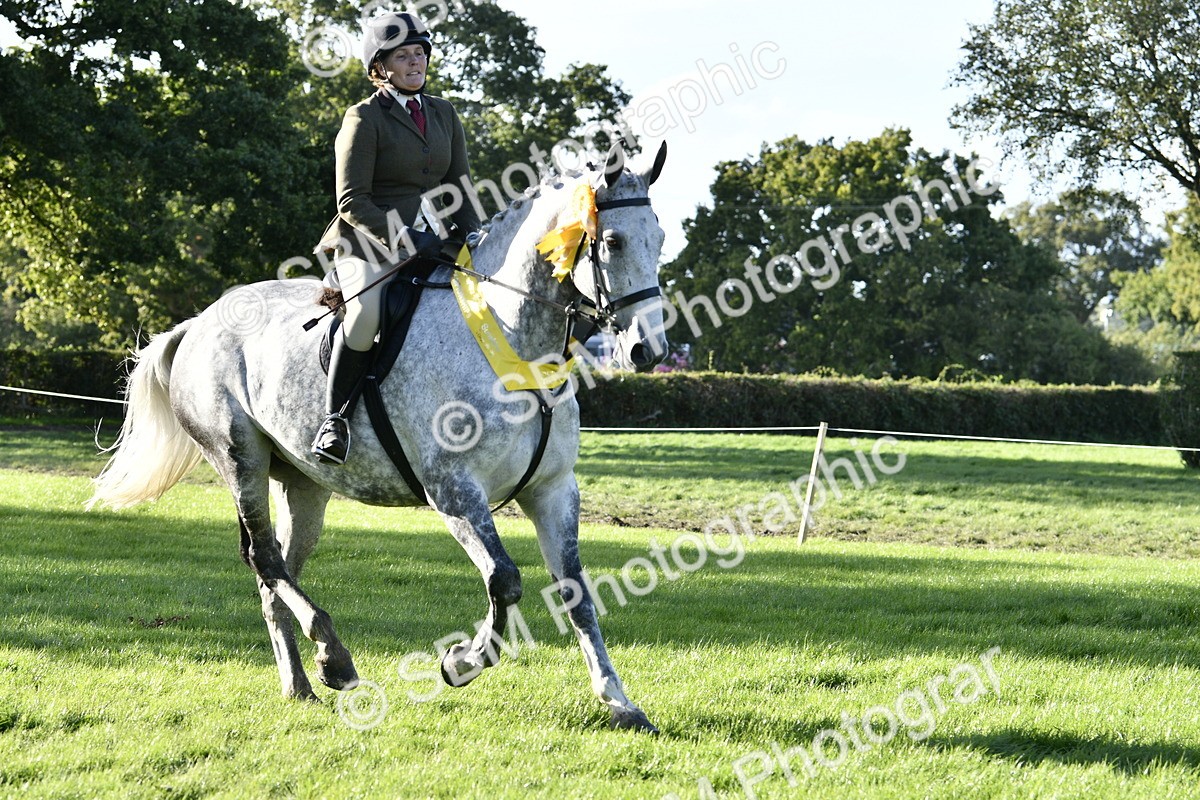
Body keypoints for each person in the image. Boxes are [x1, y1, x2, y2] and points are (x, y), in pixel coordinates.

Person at [311, 11, 482, 465]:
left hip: (434, 238)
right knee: (366, 314)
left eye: (420, 53)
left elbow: (460, 188)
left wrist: (476, 237)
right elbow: (352, 200)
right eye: (403, 56)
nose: (415, 62)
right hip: (366, 241)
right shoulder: (364, 117)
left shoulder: (444, 113)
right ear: (380, 67)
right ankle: (335, 420)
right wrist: (405, 238)